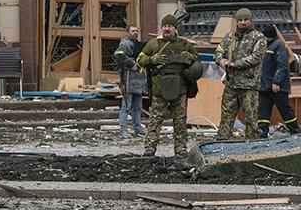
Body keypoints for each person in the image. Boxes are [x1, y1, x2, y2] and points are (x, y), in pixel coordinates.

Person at [137, 15, 200, 158]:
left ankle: (181, 149)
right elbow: (140, 59)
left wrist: (190, 58)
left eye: (169, 26)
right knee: (155, 119)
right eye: (164, 26)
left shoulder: (185, 45)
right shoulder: (153, 44)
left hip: (180, 88)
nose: (166, 29)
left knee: (180, 120)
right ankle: (150, 148)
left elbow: (197, 61)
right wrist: (152, 59)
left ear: (175, 29)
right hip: (160, 88)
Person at [215, 8, 266, 140]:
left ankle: (251, 146)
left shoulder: (258, 37)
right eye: (240, 20)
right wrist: (221, 60)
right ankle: (222, 144)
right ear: (237, 22)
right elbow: (219, 50)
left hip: (249, 85)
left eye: (246, 20)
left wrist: (234, 64)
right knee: (226, 117)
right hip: (231, 84)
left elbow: (256, 58)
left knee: (250, 118)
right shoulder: (230, 37)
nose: (243, 23)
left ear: (250, 21)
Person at [258, 25, 301, 138]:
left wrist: (276, 82)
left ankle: (295, 130)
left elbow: (282, 66)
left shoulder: (279, 46)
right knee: (263, 110)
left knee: (284, 109)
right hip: (265, 86)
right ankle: (262, 132)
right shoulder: (266, 45)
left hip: (277, 87)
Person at [114, 25, 147, 138]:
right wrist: (131, 64)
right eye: (133, 31)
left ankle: (137, 128)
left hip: (139, 80)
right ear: (128, 32)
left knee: (137, 107)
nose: (135, 33)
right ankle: (123, 130)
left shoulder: (137, 45)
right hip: (128, 79)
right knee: (126, 106)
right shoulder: (125, 44)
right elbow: (118, 55)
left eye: (137, 31)